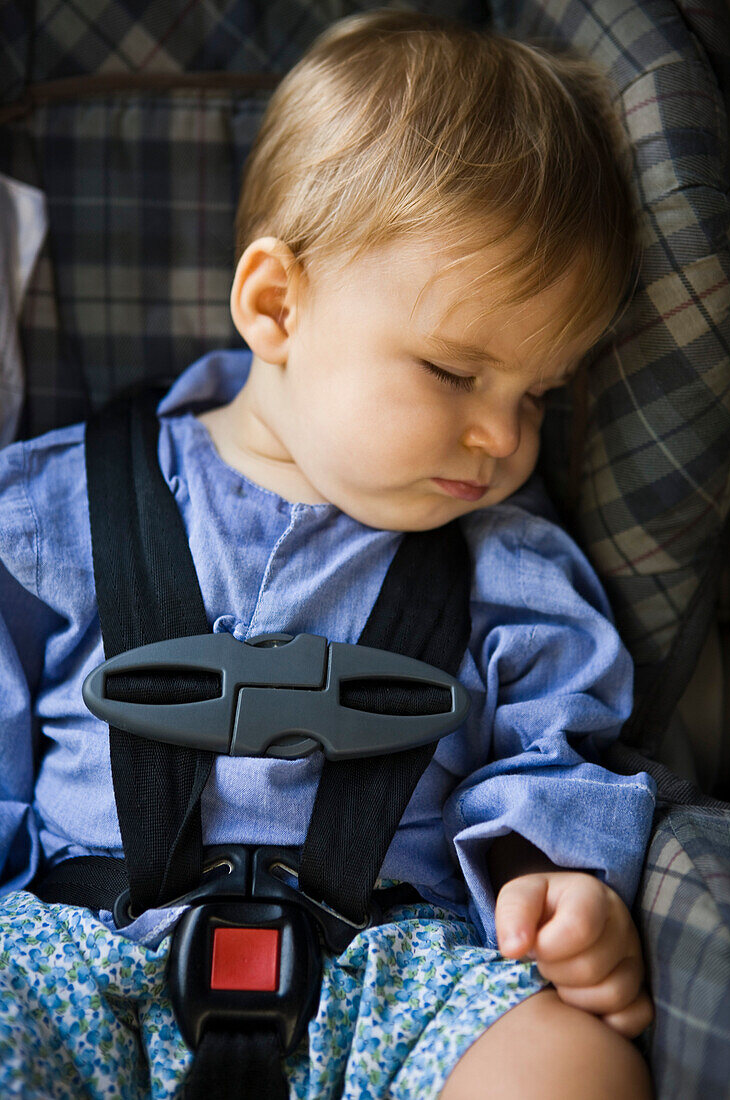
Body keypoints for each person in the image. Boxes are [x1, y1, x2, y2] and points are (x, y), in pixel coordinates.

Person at [0, 10, 657, 1099]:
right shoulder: (44, 509)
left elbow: (561, 745)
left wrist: (551, 876)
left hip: (388, 974)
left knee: (568, 1060)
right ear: (275, 303)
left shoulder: (514, 563)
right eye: (453, 372)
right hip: (81, 954)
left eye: (535, 394)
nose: (503, 437)